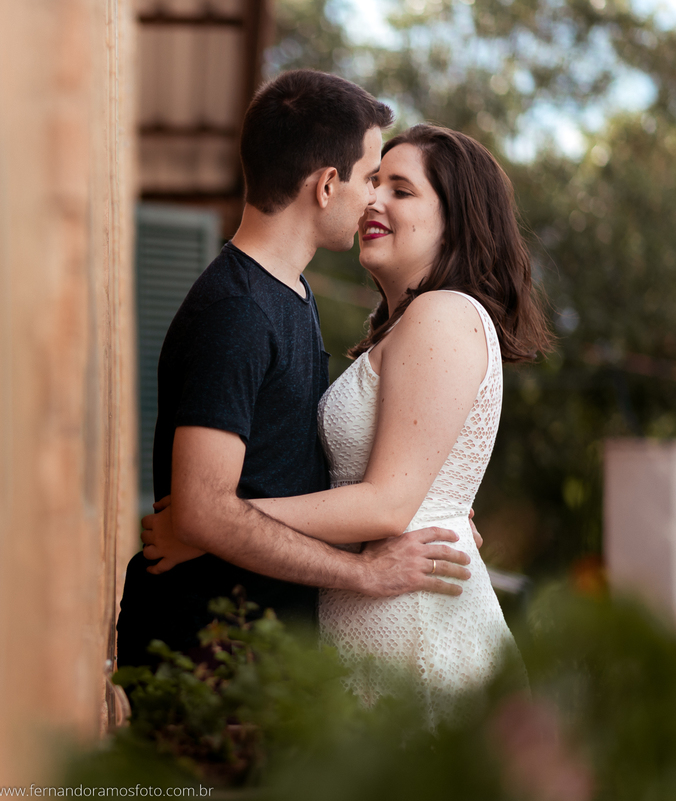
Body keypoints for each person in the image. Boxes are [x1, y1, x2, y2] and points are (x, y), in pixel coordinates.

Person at [142, 123, 553, 721]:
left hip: (409, 620)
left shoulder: (441, 314)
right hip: (370, 608)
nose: (373, 200)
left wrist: (207, 525)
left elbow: (387, 506)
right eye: (375, 181)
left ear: (456, 221)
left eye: (402, 190)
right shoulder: (401, 325)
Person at [116, 70, 478, 670]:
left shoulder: (292, 296)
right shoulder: (236, 311)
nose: (372, 200)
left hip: (258, 652)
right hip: (204, 656)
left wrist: (435, 503)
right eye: (368, 178)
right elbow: (204, 509)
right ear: (327, 185)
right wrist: (364, 573)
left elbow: (285, 468)